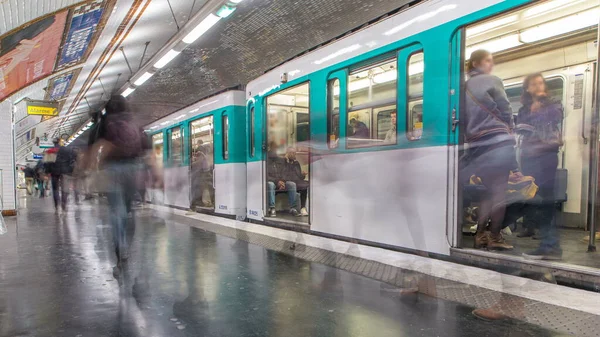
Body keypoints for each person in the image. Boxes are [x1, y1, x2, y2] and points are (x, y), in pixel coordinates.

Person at [88, 95, 156, 277]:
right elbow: (148, 149)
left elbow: (95, 146)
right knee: (129, 211)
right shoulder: (134, 123)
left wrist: (92, 169)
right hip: (134, 170)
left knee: (116, 212)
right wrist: (156, 172)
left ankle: (121, 251)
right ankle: (127, 244)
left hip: (114, 170)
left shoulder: (104, 122)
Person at [464, 49, 518, 250]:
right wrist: (510, 130)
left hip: (477, 147)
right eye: (488, 60)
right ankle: (495, 236)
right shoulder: (492, 80)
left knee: (487, 193)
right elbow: (505, 108)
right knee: (499, 193)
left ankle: (480, 235)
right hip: (497, 143)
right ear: (477, 63)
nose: (491, 65)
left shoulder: (463, 87)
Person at [516, 73, 563, 260]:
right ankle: (546, 241)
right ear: (527, 89)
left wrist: (541, 107)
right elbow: (519, 128)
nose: (538, 86)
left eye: (541, 82)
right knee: (536, 198)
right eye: (533, 84)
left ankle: (550, 244)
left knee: (546, 200)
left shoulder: (553, 104)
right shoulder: (523, 110)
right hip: (529, 157)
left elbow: (557, 116)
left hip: (547, 156)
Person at [266, 141, 298, 217]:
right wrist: (278, 182)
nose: (275, 150)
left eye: (276, 148)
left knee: (292, 184)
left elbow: (285, 173)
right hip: (272, 182)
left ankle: (292, 207)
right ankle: (272, 207)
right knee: (270, 184)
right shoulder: (266, 160)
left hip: (281, 182)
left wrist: (282, 182)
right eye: (273, 148)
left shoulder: (281, 160)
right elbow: (266, 175)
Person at [46, 138, 76, 212]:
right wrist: (70, 170)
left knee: (55, 189)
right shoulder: (68, 150)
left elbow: (48, 163)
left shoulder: (51, 150)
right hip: (66, 171)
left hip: (54, 172)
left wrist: (48, 172)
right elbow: (72, 160)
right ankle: (64, 204)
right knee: (65, 188)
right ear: (60, 142)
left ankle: (57, 205)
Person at [283, 147, 309, 216]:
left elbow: (299, 176)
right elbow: (283, 175)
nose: (294, 154)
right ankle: (293, 208)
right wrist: (287, 161)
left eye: (294, 153)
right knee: (292, 184)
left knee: (306, 184)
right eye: (292, 153)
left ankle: (303, 207)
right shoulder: (283, 162)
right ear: (287, 153)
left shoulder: (296, 163)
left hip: (297, 181)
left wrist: (302, 175)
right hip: (287, 182)